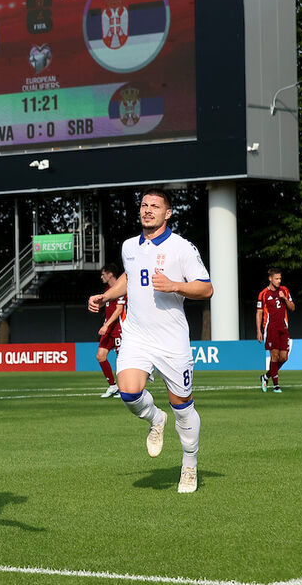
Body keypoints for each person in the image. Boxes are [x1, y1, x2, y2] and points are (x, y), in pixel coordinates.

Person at [88, 188, 213, 494]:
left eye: (155, 206)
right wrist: (106, 295)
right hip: (137, 335)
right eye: (144, 205)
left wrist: (175, 286)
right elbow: (130, 279)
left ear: (167, 213)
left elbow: (207, 289)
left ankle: (189, 465)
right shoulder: (129, 246)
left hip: (171, 340)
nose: (147, 210)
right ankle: (156, 419)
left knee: (182, 406)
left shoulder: (182, 248)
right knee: (129, 393)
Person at [256, 267, 294, 393]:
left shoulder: (284, 290)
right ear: (270, 279)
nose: (279, 281)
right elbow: (259, 313)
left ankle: (266, 376)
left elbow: (292, 307)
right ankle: (276, 385)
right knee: (274, 356)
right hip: (270, 328)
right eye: (276, 278)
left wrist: (285, 299)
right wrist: (259, 331)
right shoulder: (263, 294)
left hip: (283, 328)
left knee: (284, 358)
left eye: (280, 278)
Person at [95, 263, 125, 398]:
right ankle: (113, 386)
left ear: (110, 274)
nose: (101, 277)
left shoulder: (121, 288)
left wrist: (106, 325)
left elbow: (119, 310)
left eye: (103, 274)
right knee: (100, 356)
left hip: (119, 329)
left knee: (121, 360)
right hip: (108, 329)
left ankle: (124, 388)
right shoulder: (107, 290)